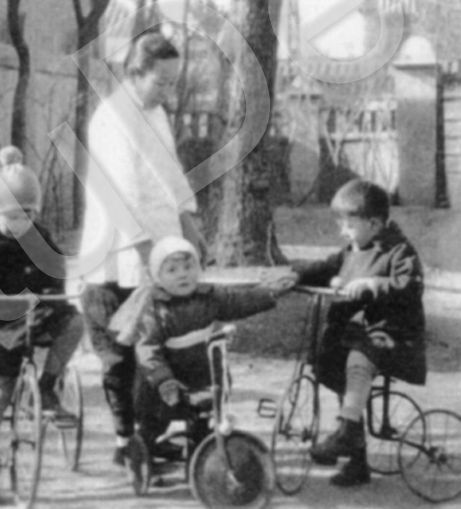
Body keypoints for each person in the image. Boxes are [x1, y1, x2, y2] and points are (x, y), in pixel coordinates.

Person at [77, 30, 206, 468]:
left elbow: (171, 175)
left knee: (159, 347)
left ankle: (149, 436)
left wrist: (189, 223)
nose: (167, 91)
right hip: (119, 252)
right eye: (160, 82)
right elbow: (122, 192)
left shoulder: (157, 114)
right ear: (135, 73)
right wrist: (149, 252)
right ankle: (124, 440)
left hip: (160, 245)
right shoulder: (112, 118)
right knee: (121, 355)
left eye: (172, 83)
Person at [0, 146, 84, 507]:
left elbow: (55, 276)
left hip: (31, 314)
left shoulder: (41, 236)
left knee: (74, 321)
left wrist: (53, 297)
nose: (21, 224)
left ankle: (47, 385)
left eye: (28, 215)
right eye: (12, 217)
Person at [291, 178, 427, 488]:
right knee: (334, 361)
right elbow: (327, 267)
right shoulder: (353, 250)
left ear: (374, 223)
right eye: (341, 224)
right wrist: (296, 276)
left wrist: (375, 284)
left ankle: (348, 433)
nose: (343, 231)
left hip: (393, 334)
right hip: (361, 335)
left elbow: (411, 285)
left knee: (358, 359)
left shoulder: (398, 251)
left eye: (349, 225)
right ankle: (356, 456)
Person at [119, 236, 293, 465]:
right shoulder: (154, 308)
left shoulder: (209, 297)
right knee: (155, 419)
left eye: (189, 267)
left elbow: (239, 301)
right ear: (156, 277)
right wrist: (162, 379)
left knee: (203, 418)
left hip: (202, 372)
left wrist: (270, 292)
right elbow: (147, 348)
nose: (183, 274)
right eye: (172, 270)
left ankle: (200, 461)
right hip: (166, 378)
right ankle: (139, 454)